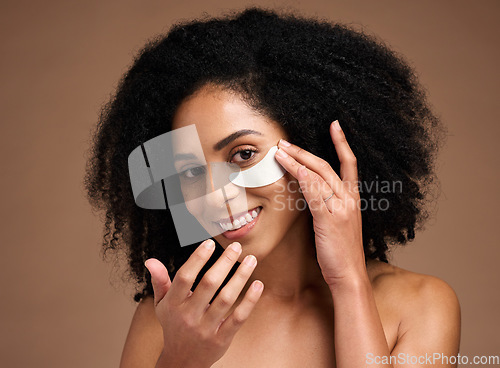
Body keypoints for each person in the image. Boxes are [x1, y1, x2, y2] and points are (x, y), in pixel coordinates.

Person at [84, 7, 460, 368]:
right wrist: (181, 361)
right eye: (191, 173)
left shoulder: (421, 305)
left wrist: (348, 283)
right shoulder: (172, 320)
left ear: (312, 149)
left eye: (244, 154)